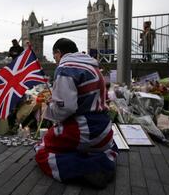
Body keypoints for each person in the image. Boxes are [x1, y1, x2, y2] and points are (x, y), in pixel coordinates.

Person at [34, 38, 118, 188]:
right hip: (104, 131)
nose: (56, 62)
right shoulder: (94, 67)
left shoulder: (65, 68)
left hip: (84, 130)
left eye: (55, 57)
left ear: (59, 53)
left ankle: (88, 169)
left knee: (41, 149)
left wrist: (50, 106)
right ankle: (103, 160)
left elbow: (66, 108)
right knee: (105, 147)